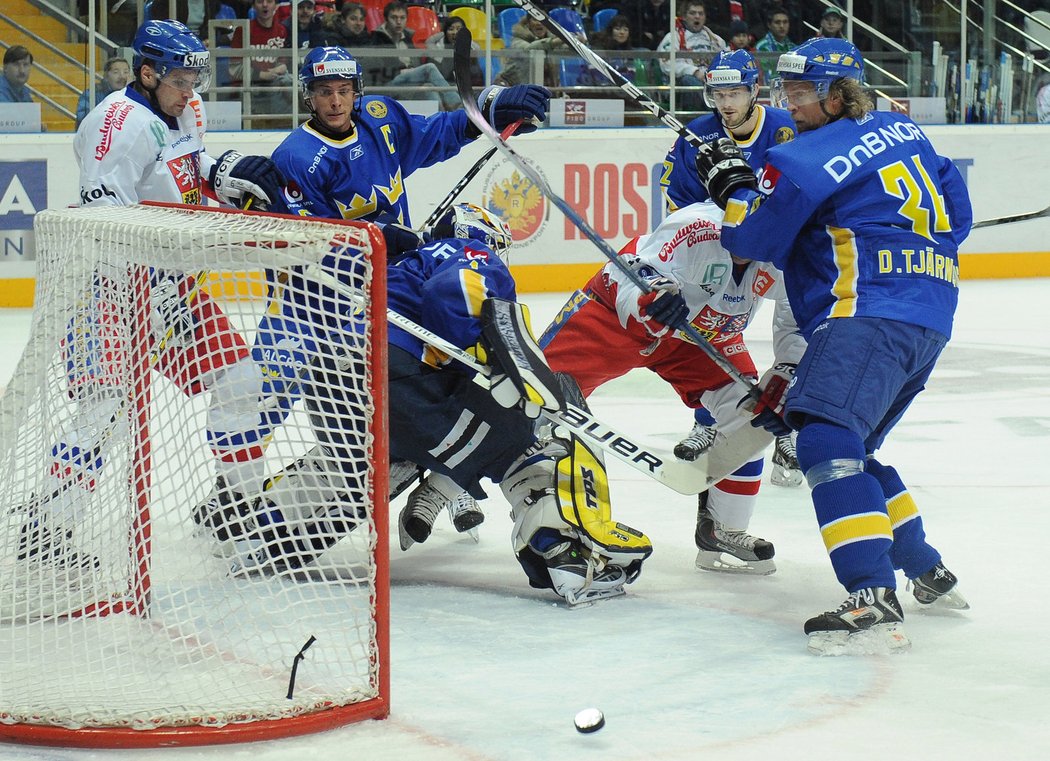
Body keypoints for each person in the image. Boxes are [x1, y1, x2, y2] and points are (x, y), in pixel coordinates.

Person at [192, 46, 552, 551]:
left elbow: (437, 135)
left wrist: (492, 110)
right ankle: (230, 493)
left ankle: (437, 473)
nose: (334, 102)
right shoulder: (296, 156)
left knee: (406, 388)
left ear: (355, 92)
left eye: (342, 91)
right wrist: (377, 235)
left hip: (382, 292)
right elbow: (303, 240)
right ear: (308, 97)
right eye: (323, 93)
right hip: (310, 299)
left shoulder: (381, 120)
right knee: (263, 392)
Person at [206, 202, 654, 605]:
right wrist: (494, 360)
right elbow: (452, 296)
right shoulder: (473, 254)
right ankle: (564, 556)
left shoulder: (401, 265)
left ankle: (260, 533)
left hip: (334, 384)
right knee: (528, 435)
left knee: (356, 462)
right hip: (396, 383)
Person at [5, 19, 286, 621]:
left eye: (196, 80)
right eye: (181, 80)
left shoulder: (183, 107)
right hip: (106, 287)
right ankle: (47, 527)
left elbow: (192, 165)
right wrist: (204, 245)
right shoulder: (116, 126)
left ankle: (235, 511)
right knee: (104, 410)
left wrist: (227, 176)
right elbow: (107, 223)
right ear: (148, 73)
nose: (192, 91)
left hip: (170, 290)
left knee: (241, 381)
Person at [697, 37, 972, 653]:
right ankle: (924, 566)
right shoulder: (906, 132)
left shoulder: (799, 161)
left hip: (864, 310)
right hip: (930, 309)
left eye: (799, 93)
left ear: (835, 93)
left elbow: (751, 242)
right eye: (785, 92)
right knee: (856, 445)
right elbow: (959, 214)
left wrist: (735, 192)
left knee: (823, 436)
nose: (788, 104)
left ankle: (871, 594)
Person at [538, 198, 802, 576]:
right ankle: (449, 484)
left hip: (701, 337)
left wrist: (788, 368)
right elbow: (639, 272)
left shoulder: (789, 252)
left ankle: (723, 529)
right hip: (612, 321)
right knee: (528, 395)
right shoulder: (695, 227)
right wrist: (652, 299)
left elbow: (801, 313)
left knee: (757, 414)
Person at [661, 49, 800, 489]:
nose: (725, 103)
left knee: (799, 333)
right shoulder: (695, 135)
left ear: (754, 90)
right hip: (724, 253)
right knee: (710, 331)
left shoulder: (785, 127)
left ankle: (789, 425)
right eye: (717, 94)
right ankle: (708, 419)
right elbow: (679, 203)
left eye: (735, 93)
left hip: (782, 252)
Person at [367, 1, 460, 111]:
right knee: (429, 68)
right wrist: (401, 71)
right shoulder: (378, 39)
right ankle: (456, 102)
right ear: (386, 19)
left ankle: (441, 120)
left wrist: (412, 71)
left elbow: (416, 62)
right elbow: (378, 68)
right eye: (394, 18)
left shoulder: (407, 37)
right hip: (389, 84)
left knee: (429, 88)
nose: (398, 22)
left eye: (402, 18)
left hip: (409, 81)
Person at [656, 0, 727, 113]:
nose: (697, 17)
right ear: (684, 16)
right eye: (693, 13)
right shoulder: (672, 37)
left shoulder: (715, 39)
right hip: (682, 87)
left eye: (701, 13)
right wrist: (694, 72)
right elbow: (667, 64)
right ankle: (711, 113)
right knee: (688, 80)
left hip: (711, 82)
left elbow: (727, 60)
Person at [230, 0, 293, 121]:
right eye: (260, 1)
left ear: (275, 5)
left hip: (275, 91)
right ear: (253, 6)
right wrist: (262, 75)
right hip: (248, 90)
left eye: (269, 1)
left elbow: (283, 62)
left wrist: (282, 67)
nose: (265, 5)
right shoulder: (242, 30)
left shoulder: (282, 31)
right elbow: (234, 69)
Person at [496, 12, 567, 88]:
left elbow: (567, 50)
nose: (539, 23)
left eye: (543, 20)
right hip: (509, 87)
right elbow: (529, 49)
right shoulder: (517, 40)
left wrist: (579, 41)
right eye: (535, 20)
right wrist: (553, 42)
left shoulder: (554, 41)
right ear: (528, 24)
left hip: (542, 89)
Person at [425, 15, 482, 88]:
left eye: (459, 29)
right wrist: (443, 32)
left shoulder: (472, 49)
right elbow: (429, 41)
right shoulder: (437, 49)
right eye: (451, 29)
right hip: (444, 88)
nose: (455, 32)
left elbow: (476, 76)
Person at [75, 56, 131, 128]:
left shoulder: (134, 96)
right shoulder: (92, 94)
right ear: (106, 76)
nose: (122, 76)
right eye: (116, 72)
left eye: (126, 72)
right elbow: (82, 119)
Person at [755, 8, 794, 82]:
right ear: (769, 25)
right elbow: (764, 76)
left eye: (785, 22)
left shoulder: (794, 47)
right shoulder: (762, 47)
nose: (782, 26)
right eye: (777, 22)